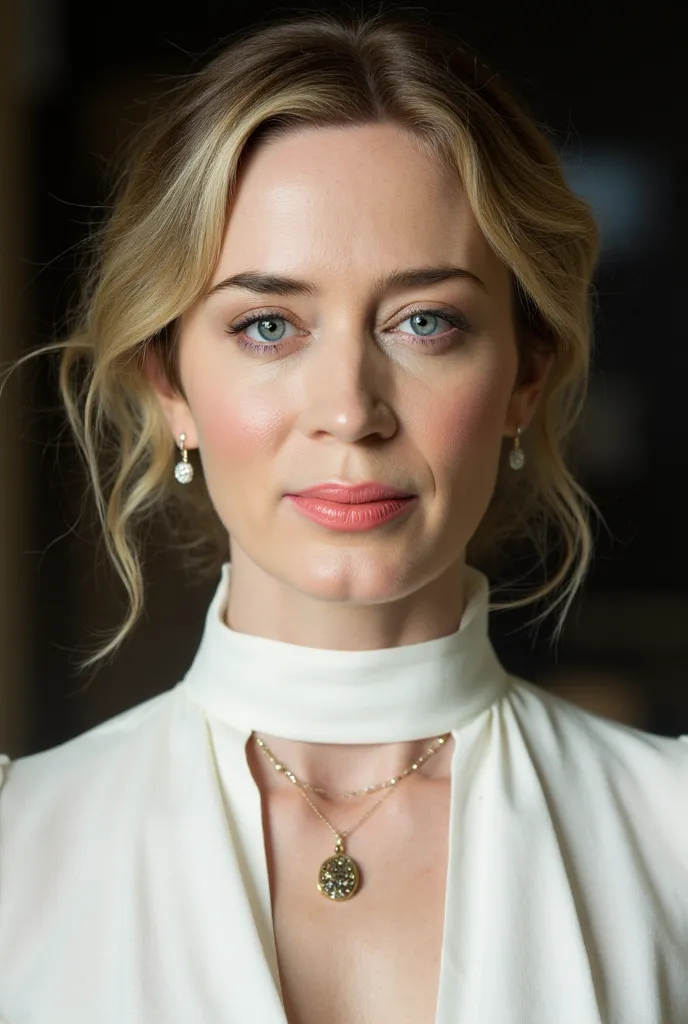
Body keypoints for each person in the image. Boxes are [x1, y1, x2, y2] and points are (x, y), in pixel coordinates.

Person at [0, 10, 686, 1023]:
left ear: (525, 375)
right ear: (171, 383)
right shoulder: (19, 847)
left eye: (424, 321)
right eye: (268, 325)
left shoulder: (672, 832)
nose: (349, 412)